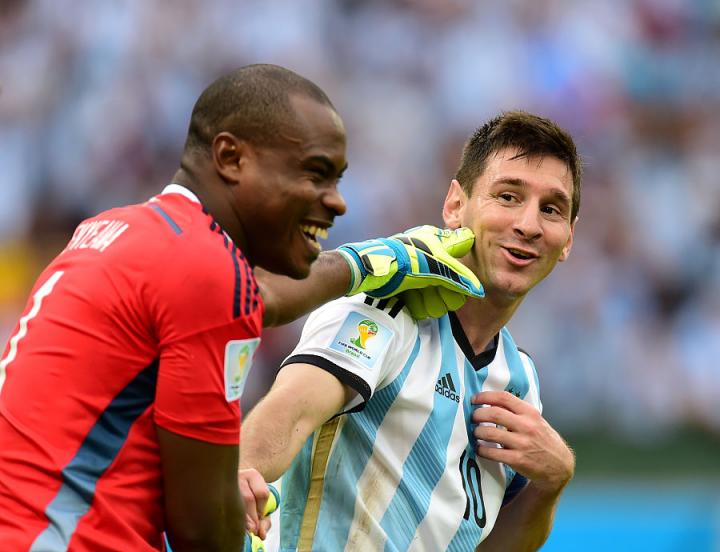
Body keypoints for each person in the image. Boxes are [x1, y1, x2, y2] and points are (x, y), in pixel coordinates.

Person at [0, 64, 483, 552]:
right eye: (315, 173)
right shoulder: (206, 274)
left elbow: (256, 299)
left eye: (337, 180)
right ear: (231, 158)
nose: (338, 202)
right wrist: (232, 527)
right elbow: (200, 530)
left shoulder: (119, 230)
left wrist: (369, 263)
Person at [239, 110, 582, 551]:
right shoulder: (384, 309)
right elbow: (290, 413)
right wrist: (244, 469)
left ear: (567, 239)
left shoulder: (521, 381)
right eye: (508, 197)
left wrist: (551, 482)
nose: (529, 225)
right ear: (455, 206)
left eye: (550, 209)